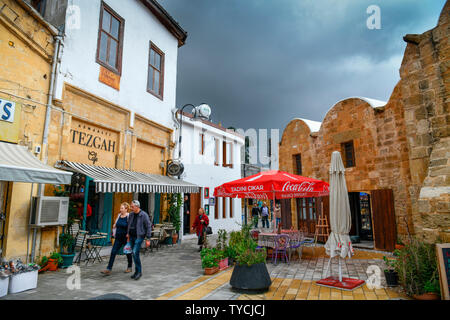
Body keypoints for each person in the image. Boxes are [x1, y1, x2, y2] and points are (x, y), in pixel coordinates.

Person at [101, 202, 132, 275]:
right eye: (120, 208)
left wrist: (129, 235)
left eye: (122, 208)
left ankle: (129, 267)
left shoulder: (129, 216)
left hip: (125, 238)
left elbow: (131, 227)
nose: (120, 209)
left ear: (126, 209)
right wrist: (114, 225)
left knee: (128, 253)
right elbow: (116, 224)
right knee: (113, 252)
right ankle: (109, 269)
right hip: (118, 237)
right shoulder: (119, 215)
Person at [127, 200, 152, 281]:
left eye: (132, 207)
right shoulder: (131, 215)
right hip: (131, 237)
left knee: (135, 252)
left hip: (139, 237)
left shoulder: (143, 215)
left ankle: (139, 272)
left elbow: (148, 226)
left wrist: (148, 238)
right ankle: (137, 271)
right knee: (134, 254)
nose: (131, 208)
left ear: (137, 207)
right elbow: (129, 224)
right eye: (131, 206)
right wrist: (128, 234)